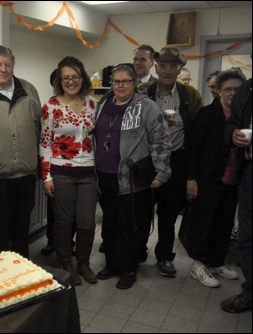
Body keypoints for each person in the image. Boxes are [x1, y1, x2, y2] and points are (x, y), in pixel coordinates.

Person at [94, 63, 171, 289]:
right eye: (116, 81)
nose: (120, 85)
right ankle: (111, 263)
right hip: (105, 175)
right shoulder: (103, 104)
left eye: (125, 81)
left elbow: (160, 141)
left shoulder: (146, 107)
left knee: (130, 224)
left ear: (134, 83)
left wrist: (162, 171)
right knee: (110, 222)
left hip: (133, 177)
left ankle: (128, 268)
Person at [139, 47, 203, 278]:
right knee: (142, 210)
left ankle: (165, 256)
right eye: (163, 65)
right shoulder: (144, 92)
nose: (167, 70)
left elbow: (196, 138)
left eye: (173, 66)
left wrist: (192, 175)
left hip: (177, 160)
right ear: (156, 67)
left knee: (168, 213)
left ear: (179, 69)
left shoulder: (190, 95)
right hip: (147, 160)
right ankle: (138, 251)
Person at [40, 56, 98, 285]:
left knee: (86, 221)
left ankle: (83, 263)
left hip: (88, 173)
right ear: (59, 81)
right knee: (63, 221)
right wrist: (46, 177)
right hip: (61, 171)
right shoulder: (51, 106)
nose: (71, 82)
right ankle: (65, 263)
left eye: (75, 77)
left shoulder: (93, 104)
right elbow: (44, 143)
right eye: (66, 78)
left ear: (82, 78)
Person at [186, 69, 246, 287]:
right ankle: (198, 264)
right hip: (208, 178)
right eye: (227, 89)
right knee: (204, 221)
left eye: (237, 89)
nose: (232, 93)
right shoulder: (206, 114)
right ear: (218, 91)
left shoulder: (245, 114)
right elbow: (194, 149)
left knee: (225, 222)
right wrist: (191, 178)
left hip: (234, 179)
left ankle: (217, 261)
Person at [0, 45, 41, 258]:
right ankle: (2, 275)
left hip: (26, 176)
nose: (3, 69)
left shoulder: (29, 90)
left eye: (7, 64)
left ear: (13, 65)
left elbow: (39, 127)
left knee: (21, 230)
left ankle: (23, 269)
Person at [221, 77, 252, 313]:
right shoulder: (247, 89)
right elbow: (231, 123)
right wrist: (233, 135)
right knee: (247, 237)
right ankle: (250, 291)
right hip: (248, 172)